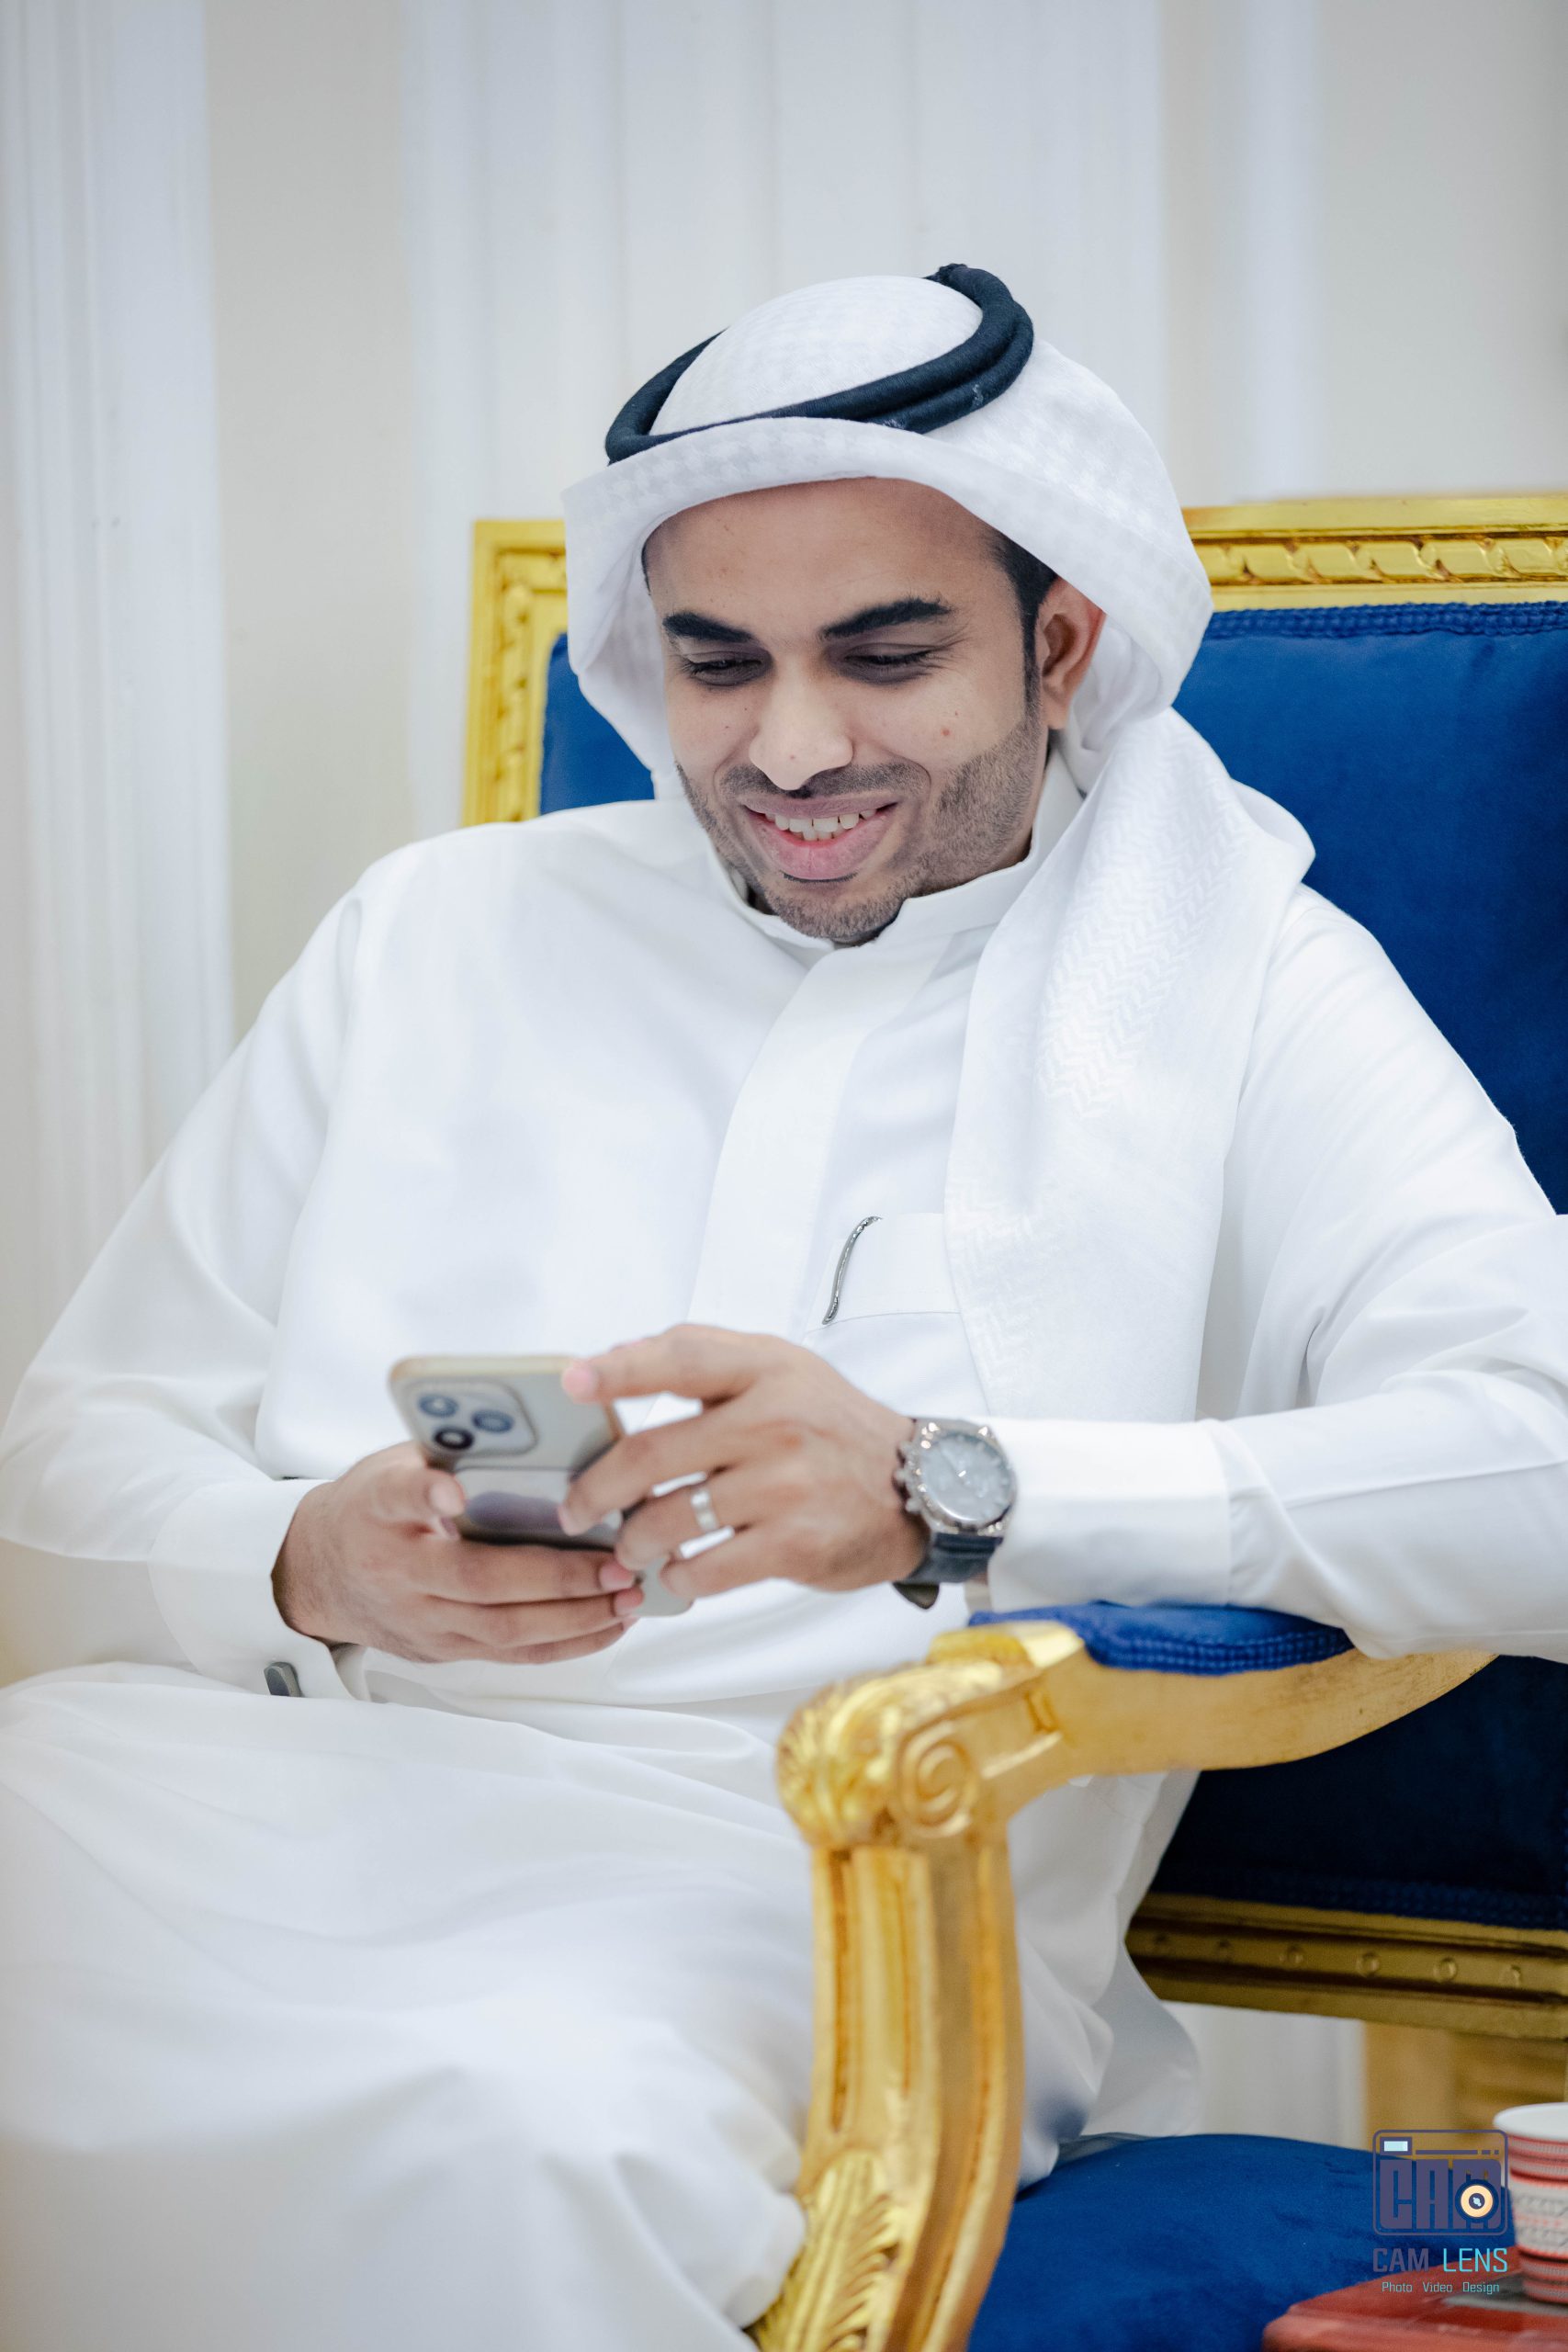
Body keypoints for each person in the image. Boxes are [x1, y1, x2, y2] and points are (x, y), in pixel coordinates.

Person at [1, 265, 1565, 2352]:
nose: (791, 746)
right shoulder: (433, 926)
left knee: (507, 2126)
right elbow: (74, 1446)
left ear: (1058, 641)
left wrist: (949, 1485)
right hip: (246, 1782)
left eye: (886, 653)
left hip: (803, 1872)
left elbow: (1543, 1465)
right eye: (716, 662)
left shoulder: (1248, 982)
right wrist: (296, 1555)